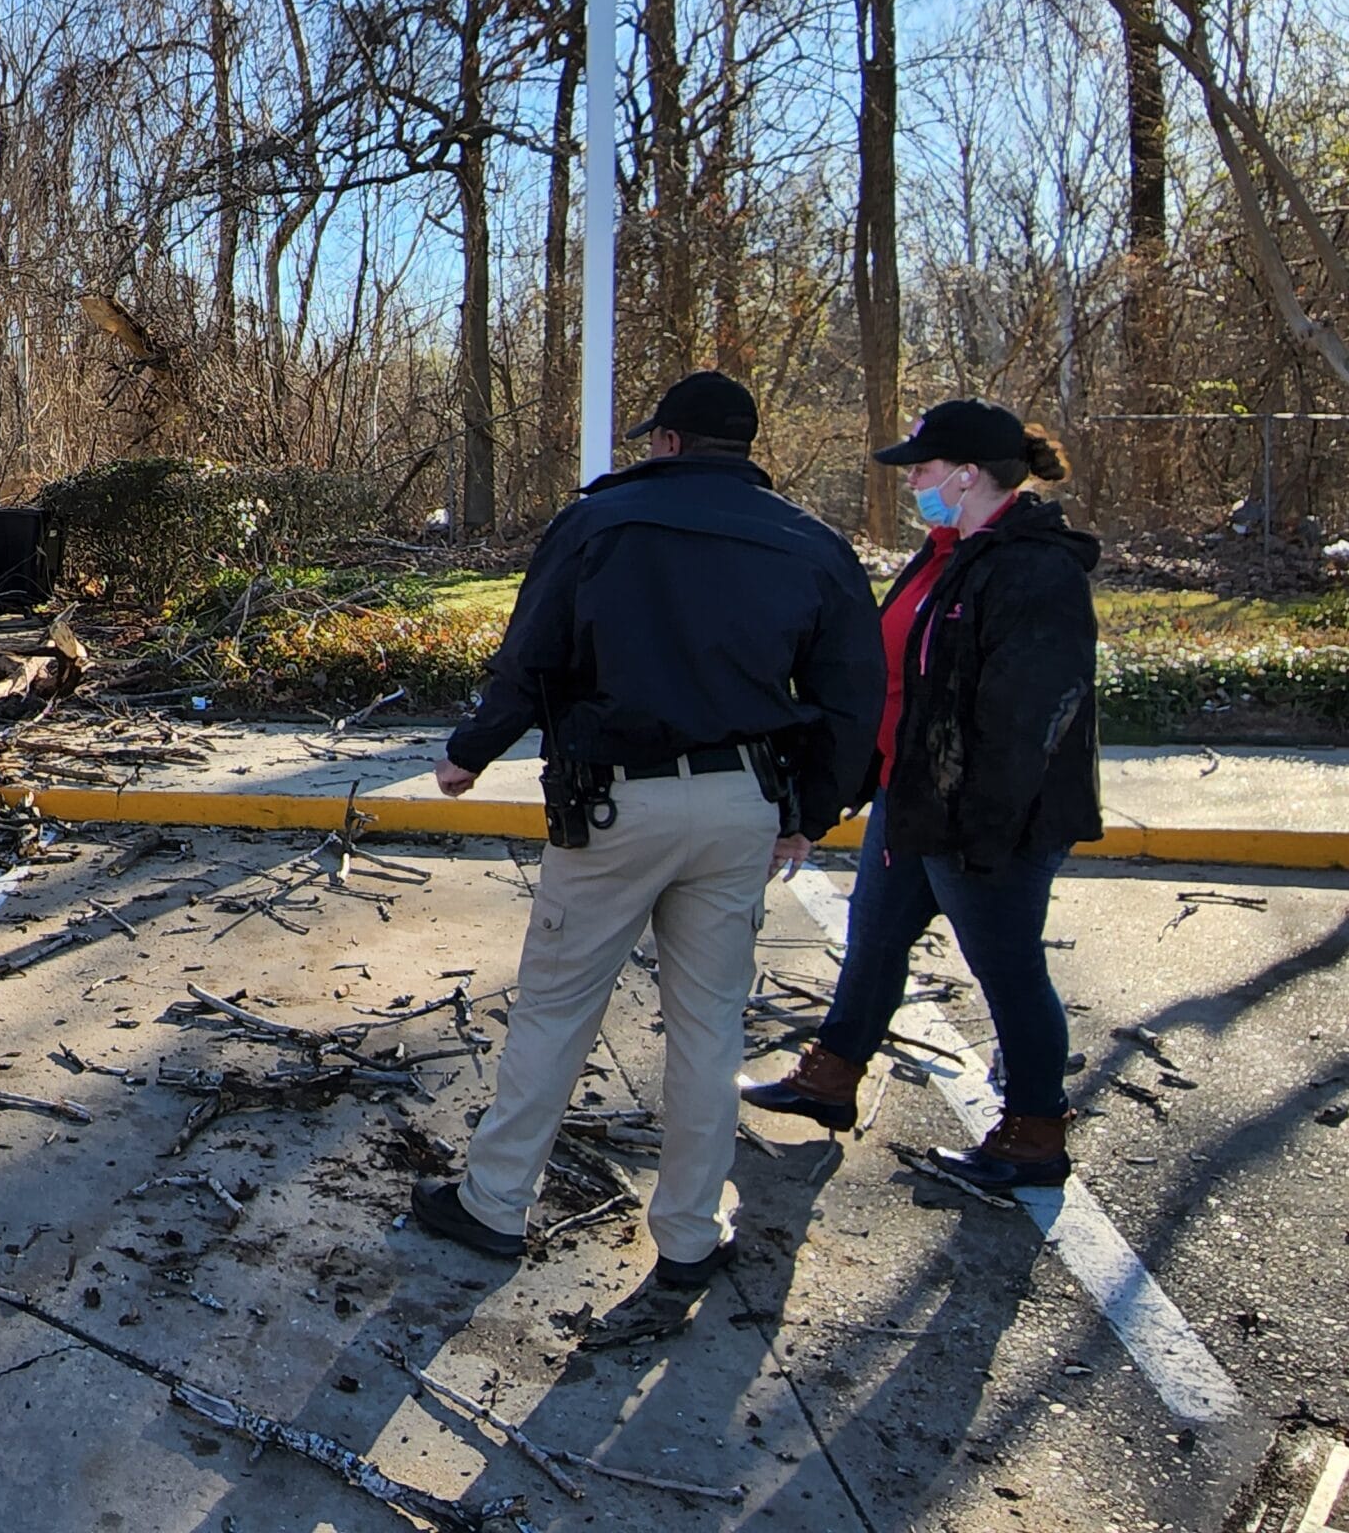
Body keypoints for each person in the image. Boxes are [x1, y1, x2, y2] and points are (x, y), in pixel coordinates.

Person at [413, 371, 885, 1290]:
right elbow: (853, 697)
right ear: (744, 449)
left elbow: (532, 651)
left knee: (556, 1008)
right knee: (710, 1028)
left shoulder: (600, 523)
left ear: (666, 443)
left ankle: (494, 1204)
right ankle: (690, 1236)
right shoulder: (811, 544)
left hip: (616, 804)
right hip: (742, 803)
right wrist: (810, 812)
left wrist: (473, 749)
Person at [742, 399, 1100, 1191]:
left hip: (982, 821)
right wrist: (839, 794)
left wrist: (983, 827)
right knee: (872, 942)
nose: (915, 485)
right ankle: (831, 1079)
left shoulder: (1034, 566)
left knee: (1006, 968)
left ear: (969, 474)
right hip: (916, 801)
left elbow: (1028, 714)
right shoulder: (949, 553)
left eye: (926, 470)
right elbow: (899, 687)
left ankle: (1035, 1132)